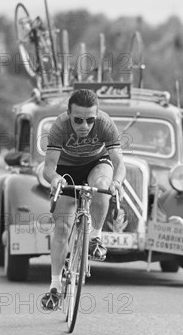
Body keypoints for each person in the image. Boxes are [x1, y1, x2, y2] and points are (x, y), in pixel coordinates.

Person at [41, 89, 126, 310]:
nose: (84, 126)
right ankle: (54, 287)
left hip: (96, 164)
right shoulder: (59, 126)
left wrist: (117, 182)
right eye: (78, 120)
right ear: (69, 114)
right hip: (66, 169)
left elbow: (119, 163)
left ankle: (95, 238)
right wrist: (56, 179)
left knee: (101, 186)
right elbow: (49, 168)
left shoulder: (105, 123)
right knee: (62, 227)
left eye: (90, 120)